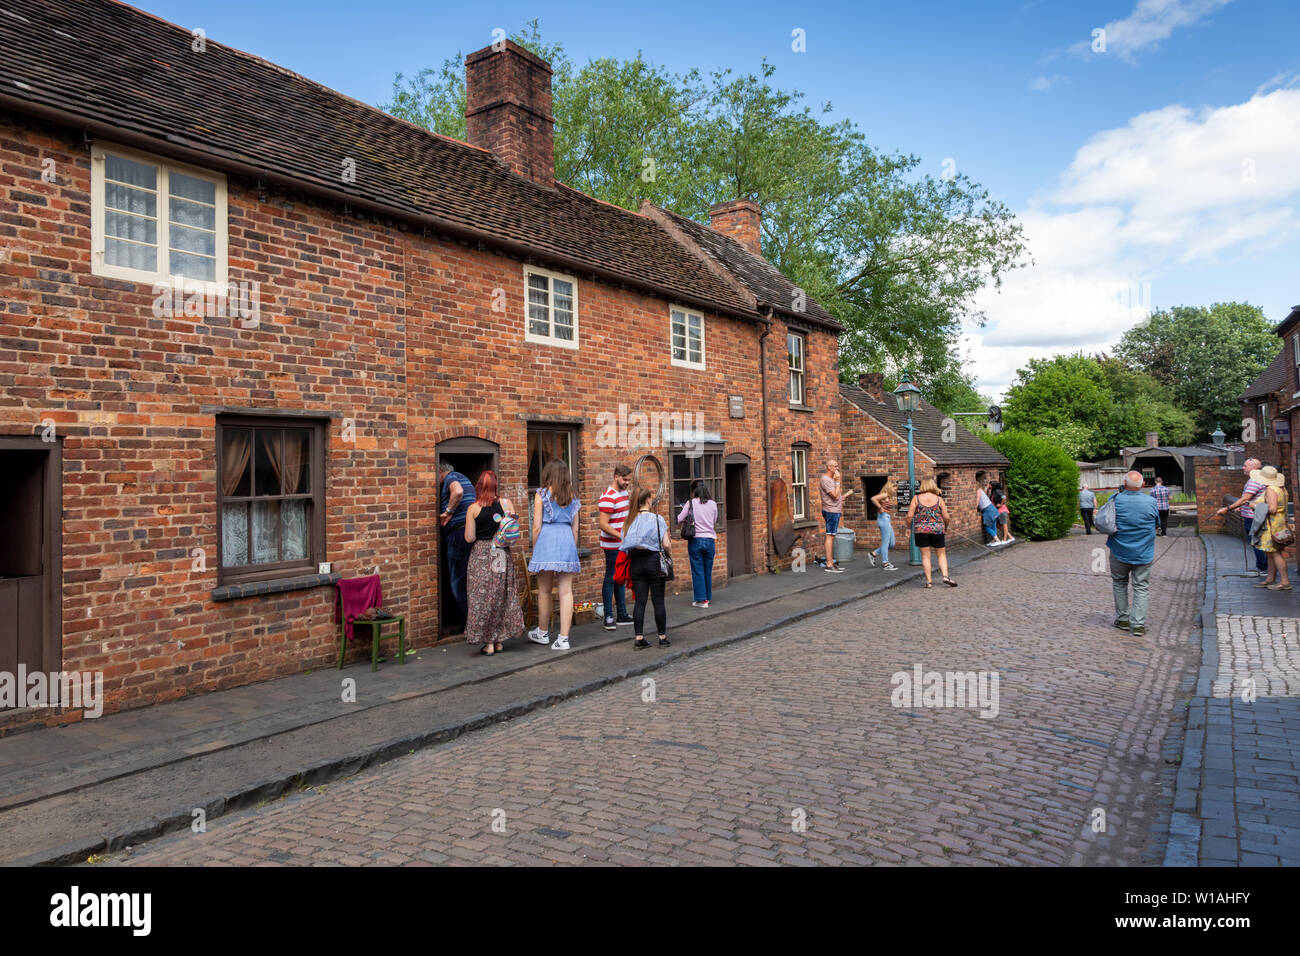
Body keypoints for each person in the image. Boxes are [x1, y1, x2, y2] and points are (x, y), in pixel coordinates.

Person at [462, 470, 524, 655]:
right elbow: (512, 533)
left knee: (483, 598)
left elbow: (469, 537)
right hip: (501, 553)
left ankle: (489, 643)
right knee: (500, 595)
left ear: (478, 487)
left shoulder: (473, 508)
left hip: (481, 555)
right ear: (496, 485)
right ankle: (499, 640)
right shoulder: (506, 504)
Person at [527, 459, 581, 651]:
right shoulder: (573, 497)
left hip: (546, 540)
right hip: (566, 539)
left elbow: (536, 526)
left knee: (544, 590)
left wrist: (535, 548)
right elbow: (575, 530)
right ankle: (563, 638)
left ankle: (542, 632)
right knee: (566, 591)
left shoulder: (541, 495)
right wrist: (570, 548)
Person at [1106, 471, 1159, 637]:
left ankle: (1123, 619)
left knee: (1120, 583)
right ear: (1143, 485)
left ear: (1124, 483)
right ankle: (1138, 624)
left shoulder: (1115, 499)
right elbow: (1157, 523)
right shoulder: (1151, 502)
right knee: (1141, 587)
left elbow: (1106, 520)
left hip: (1119, 550)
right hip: (1143, 552)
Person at [620, 488, 673, 649]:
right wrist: (669, 554)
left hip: (636, 561)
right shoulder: (657, 519)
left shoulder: (629, 520)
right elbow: (666, 544)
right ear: (648, 500)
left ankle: (639, 638)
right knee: (658, 601)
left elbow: (624, 543)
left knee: (640, 602)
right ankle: (662, 638)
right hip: (654, 561)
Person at [439, 460, 476, 634]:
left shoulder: (450, 478)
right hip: (468, 533)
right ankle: (471, 620)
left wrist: (448, 512)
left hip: (457, 534)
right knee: (467, 578)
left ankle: (467, 623)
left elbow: (458, 492)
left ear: (440, 471)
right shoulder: (464, 477)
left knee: (457, 579)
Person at [1216, 458, 1269, 576]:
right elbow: (1250, 499)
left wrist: (1227, 508)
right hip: (1252, 515)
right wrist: (1241, 507)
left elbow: (1245, 498)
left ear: (1254, 468)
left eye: (1245, 466)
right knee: (1256, 542)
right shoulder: (1257, 479)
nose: (1243, 468)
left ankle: (1263, 568)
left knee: (1256, 542)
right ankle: (1263, 566)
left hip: (1253, 517)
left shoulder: (1255, 481)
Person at [598, 465, 634, 630]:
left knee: (620, 578)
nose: (627, 482)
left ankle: (622, 614)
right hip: (612, 545)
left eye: (628, 479)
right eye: (625, 479)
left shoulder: (624, 493)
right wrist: (621, 536)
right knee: (611, 578)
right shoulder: (608, 497)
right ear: (616, 477)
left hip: (622, 544)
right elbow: (603, 524)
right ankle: (608, 616)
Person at [907, 478, 957, 588]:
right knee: (941, 554)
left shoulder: (916, 498)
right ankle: (945, 576)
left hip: (921, 530)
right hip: (937, 530)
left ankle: (929, 582)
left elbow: (910, 516)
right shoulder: (939, 499)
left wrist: (908, 528)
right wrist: (945, 527)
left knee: (925, 556)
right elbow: (946, 517)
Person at [678, 480, 719, 608]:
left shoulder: (690, 503)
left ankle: (702, 600)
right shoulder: (713, 504)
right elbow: (715, 520)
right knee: (707, 570)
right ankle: (707, 597)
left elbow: (679, 519)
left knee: (697, 570)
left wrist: (688, 516)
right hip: (710, 540)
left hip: (695, 540)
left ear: (693, 491)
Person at [1253, 466, 1292, 590]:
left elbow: (1272, 508)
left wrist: (1255, 506)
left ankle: (1285, 582)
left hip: (1271, 525)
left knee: (1275, 553)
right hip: (1279, 523)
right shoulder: (1282, 489)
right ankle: (1270, 579)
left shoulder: (1270, 489)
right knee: (1271, 552)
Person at [819, 459, 853, 572]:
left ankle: (831, 562)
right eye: (835, 466)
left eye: (837, 466)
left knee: (832, 536)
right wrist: (837, 482)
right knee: (830, 535)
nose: (837, 468)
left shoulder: (830, 479)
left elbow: (836, 495)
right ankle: (829, 563)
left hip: (834, 509)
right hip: (831, 511)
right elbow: (833, 495)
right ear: (829, 467)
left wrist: (841, 497)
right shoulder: (825, 479)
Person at [867, 484, 898, 571]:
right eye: (894, 489)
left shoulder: (887, 496)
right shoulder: (885, 494)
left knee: (891, 543)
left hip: (887, 519)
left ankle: (873, 553)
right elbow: (873, 498)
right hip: (883, 519)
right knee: (885, 543)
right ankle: (886, 563)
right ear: (889, 488)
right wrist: (880, 507)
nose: (895, 491)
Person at [977, 479, 999, 545]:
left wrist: (975, 507)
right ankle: (994, 541)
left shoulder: (978, 491)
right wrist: (987, 487)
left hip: (987, 509)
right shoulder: (981, 491)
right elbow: (985, 491)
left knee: (987, 527)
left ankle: (997, 540)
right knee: (993, 526)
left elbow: (978, 499)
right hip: (992, 508)